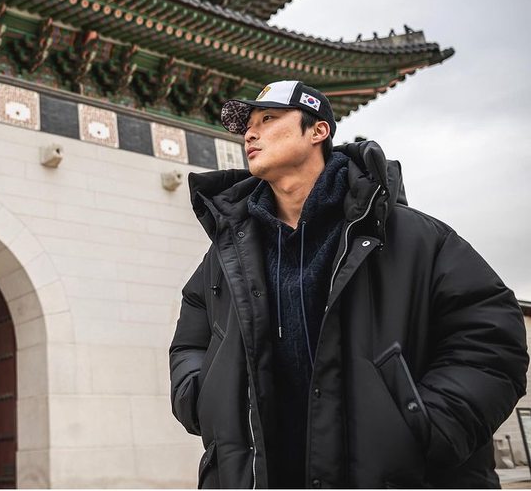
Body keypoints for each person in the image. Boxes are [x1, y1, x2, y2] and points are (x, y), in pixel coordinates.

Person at [169, 80, 528, 489]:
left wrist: (427, 425)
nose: (250, 134)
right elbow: (190, 343)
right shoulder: (225, 256)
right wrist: (203, 398)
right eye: (247, 126)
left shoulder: (412, 236)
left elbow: (491, 337)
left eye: (268, 119)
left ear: (318, 130)